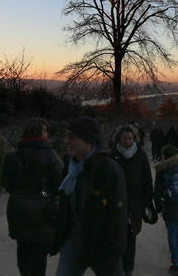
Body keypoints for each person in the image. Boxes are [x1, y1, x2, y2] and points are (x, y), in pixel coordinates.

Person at [56, 117, 128, 276]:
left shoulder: (108, 169)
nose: (66, 141)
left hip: (102, 245)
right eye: (66, 136)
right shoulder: (69, 166)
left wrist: (115, 251)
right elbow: (64, 204)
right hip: (74, 241)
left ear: (87, 139)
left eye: (71, 137)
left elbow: (118, 214)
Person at [2, 118, 63, 276]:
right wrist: (44, 194)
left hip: (18, 207)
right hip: (42, 208)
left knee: (23, 250)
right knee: (38, 256)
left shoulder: (12, 156)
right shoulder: (51, 156)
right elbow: (58, 184)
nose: (47, 133)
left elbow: (7, 184)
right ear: (40, 133)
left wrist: (21, 192)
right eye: (45, 130)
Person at [110, 125, 154, 276]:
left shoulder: (140, 154)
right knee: (116, 237)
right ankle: (117, 268)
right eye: (125, 138)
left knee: (130, 237)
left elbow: (147, 178)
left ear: (134, 138)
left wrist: (148, 200)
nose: (128, 141)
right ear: (119, 139)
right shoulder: (112, 154)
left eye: (130, 138)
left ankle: (128, 270)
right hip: (115, 203)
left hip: (135, 203)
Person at [154, 145, 178, 276]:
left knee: (171, 232)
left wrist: (157, 206)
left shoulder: (161, 171)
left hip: (169, 204)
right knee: (175, 229)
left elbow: (157, 191)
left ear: (164, 156)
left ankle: (175, 262)